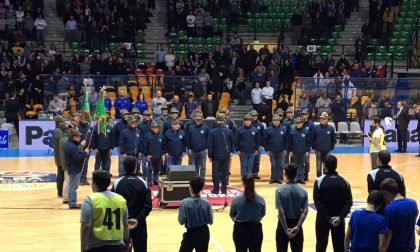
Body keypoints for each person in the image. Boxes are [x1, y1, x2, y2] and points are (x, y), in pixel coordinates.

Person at [80, 169, 130, 252]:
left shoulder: (90, 200)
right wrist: (126, 242)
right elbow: (125, 225)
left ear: (94, 184)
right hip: (117, 246)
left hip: (96, 246)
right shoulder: (121, 199)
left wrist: (83, 248)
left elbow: (86, 227)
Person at [112, 156, 153, 252]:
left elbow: (113, 204)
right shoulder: (143, 183)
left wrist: (124, 220)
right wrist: (137, 219)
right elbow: (148, 205)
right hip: (139, 224)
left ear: (124, 167)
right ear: (135, 167)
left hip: (121, 224)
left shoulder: (117, 183)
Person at [313, 155, 353, 252]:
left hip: (323, 219)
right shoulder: (344, 181)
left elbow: (317, 202)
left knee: (321, 246)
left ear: (324, 165)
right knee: (339, 247)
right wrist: (340, 217)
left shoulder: (319, 181)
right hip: (339, 220)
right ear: (336, 165)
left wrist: (328, 217)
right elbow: (349, 202)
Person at [275, 164, 309, 252]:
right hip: (296, 223)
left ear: (285, 174)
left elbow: (281, 212)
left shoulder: (279, 190)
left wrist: (286, 228)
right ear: (296, 174)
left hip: (283, 224)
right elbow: (304, 212)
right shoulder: (303, 192)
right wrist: (297, 227)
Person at [381, 178, 418, 251]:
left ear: (386, 192)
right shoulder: (413, 203)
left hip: (395, 248)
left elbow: (388, 234)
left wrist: (382, 249)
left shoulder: (390, 209)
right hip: (410, 247)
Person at [230, 175, 266, 252]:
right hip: (255, 230)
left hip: (240, 230)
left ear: (243, 183)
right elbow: (263, 213)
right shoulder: (260, 199)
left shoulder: (236, 198)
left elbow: (232, 214)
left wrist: (239, 219)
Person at [178, 176, 213, 252]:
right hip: (204, 233)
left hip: (191, 233)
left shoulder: (184, 202)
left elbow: (181, 221)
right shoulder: (207, 203)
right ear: (201, 188)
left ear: (191, 188)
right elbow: (210, 221)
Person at [208, 114, 234, 194]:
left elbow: (210, 145)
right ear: (224, 120)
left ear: (216, 120)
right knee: (224, 173)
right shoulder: (229, 131)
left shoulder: (212, 132)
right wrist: (231, 151)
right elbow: (232, 143)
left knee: (215, 173)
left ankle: (215, 190)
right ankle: (224, 190)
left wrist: (210, 155)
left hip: (216, 156)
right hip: (226, 156)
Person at [64, 129, 90, 209]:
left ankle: (72, 202)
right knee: (73, 186)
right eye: (78, 137)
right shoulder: (72, 147)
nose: (80, 138)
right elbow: (77, 157)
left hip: (72, 168)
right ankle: (72, 203)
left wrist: (81, 146)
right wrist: (85, 153)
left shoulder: (69, 144)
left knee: (72, 186)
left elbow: (76, 152)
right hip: (75, 168)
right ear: (74, 137)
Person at [264, 114, 287, 184]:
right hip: (271, 150)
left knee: (280, 164)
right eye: (275, 120)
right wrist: (266, 150)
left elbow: (286, 140)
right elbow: (265, 140)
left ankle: (278, 178)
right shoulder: (268, 129)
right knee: (273, 164)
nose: (276, 122)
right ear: (272, 121)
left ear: (279, 121)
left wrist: (286, 149)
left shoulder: (283, 129)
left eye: (278, 120)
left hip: (281, 150)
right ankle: (273, 178)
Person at [311, 112, 336, 177]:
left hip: (327, 150)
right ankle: (319, 179)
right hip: (318, 150)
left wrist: (331, 147)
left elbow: (333, 139)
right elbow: (312, 138)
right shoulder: (316, 127)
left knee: (326, 166)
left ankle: (325, 179)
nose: (322, 120)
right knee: (318, 166)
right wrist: (314, 148)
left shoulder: (331, 128)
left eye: (324, 118)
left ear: (327, 119)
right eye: (321, 118)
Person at [288, 117, 310, 184]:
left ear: (302, 123)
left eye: (299, 123)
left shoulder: (306, 132)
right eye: (296, 123)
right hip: (294, 152)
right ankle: (296, 178)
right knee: (295, 165)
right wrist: (291, 151)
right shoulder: (292, 131)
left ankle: (301, 178)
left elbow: (308, 142)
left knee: (302, 165)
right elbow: (290, 142)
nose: (297, 124)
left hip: (303, 152)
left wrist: (307, 151)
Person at [186, 112, 208, 178]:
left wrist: (207, 148)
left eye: (199, 119)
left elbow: (208, 139)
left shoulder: (205, 128)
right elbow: (188, 139)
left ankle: (202, 179)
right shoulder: (191, 128)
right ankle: (195, 178)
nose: (198, 121)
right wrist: (189, 148)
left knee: (203, 166)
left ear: (202, 120)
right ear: (194, 120)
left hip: (202, 150)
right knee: (193, 166)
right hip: (193, 150)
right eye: (197, 119)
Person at [143, 121, 165, 186]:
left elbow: (163, 146)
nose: (156, 129)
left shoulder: (160, 135)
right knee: (150, 169)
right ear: (151, 128)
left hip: (159, 156)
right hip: (151, 156)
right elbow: (145, 146)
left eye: (157, 127)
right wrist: (147, 155)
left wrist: (163, 154)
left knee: (157, 169)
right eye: (154, 127)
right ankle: (149, 181)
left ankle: (155, 180)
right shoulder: (147, 135)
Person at [52, 115, 66, 198]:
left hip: (60, 155)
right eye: (62, 121)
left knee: (61, 174)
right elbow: (63, 141)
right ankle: (60, 192)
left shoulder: (59, 130)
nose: (64, 123)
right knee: (61, 174)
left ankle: (60, 192)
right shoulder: (58, 131)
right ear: (58, 123)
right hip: (60, 156)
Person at [78, 112, 93, 185]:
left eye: (86, 119)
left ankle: (84, 178)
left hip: (87, 149)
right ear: (80, 119)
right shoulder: (78, 127)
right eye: (84, 119)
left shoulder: (89, 126)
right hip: (80, 149)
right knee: (80, 164)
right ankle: (79, 179)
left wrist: (91, 147)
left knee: (85, 164)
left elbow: (91, 137)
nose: (86, 120)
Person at [113, 109, 129, 176]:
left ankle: (128, 174)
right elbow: (115, 135)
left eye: (127, 114)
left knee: (129, 161)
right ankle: (121, 175)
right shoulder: (118, 124)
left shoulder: (130, 123)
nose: (126, 116)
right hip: (121, 145)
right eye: (124, 114)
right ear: (121, 115)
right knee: (121, 161)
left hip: (129, 145)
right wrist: (116, 145)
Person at [250, 110, 265, 179]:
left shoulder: (260, 125)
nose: (255, 117)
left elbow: (263, 135)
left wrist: (262, 144)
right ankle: (250, 173)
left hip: (258, 145)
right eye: (253, 115)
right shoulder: (248, 124)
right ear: (251, 116)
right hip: (250, 145)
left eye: (256, 115)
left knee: (257, 159)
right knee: (251, 159)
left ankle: (256, 173)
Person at [301, 109, 314, 181]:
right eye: (302, 114)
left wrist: (311, 145)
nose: (303, 115)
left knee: (306, 161)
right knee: (300, 161)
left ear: (308, 115)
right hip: (299, 145)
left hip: (307, 146)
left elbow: (312, 136)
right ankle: (300, 174)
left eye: (304, 114)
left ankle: (306, 174)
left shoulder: (311, 124)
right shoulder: (299, 122)